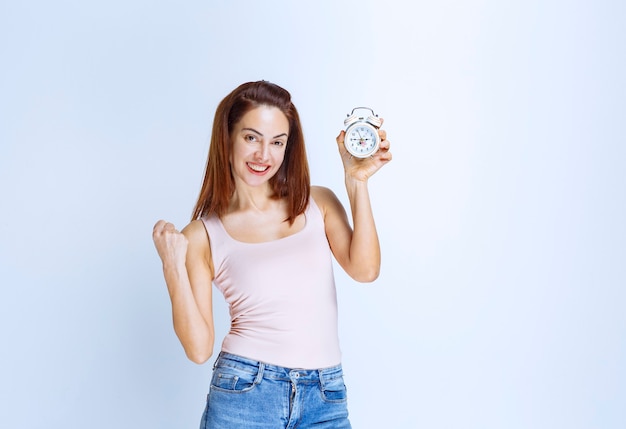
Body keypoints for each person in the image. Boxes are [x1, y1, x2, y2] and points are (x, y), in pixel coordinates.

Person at [152, 81, 392, 428]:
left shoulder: (317, 203)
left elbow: (366, 269)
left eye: (277, 142)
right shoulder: (203, 235)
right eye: (252, 138)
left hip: (326, 394)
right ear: (228, 139)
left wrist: (356, 182)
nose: (264, 155)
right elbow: (199, 349)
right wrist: (172, 266)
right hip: (245, 393)